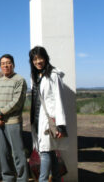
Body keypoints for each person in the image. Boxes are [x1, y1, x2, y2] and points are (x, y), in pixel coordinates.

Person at [29, 46, 68, 182]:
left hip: (49, 120)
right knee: (50, 153)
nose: (38, 61)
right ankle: (57, 179)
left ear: (46, 58)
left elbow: (59, 99)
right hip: (37, 119)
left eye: (40, 58)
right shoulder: (36, 76)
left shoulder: (53, 75)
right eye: (35, 59)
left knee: (45, 152)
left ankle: (43, 180)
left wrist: (61, 125)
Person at [0, 54, 29, 182]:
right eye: (2, 63)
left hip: (12, 122)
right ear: (0, 66)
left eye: (8, 63)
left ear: (13, 64)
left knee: (18, 153)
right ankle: (8, 178)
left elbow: (17, 102)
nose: (5, 65)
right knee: (3, 153)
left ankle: (22, 178)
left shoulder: (19, 80)